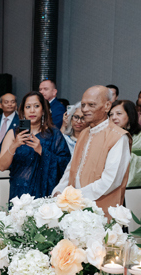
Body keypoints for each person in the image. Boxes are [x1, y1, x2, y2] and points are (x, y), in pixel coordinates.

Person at [53, 86, 131, 217]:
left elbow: (111, 181)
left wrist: (75, 197)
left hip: (99, 211)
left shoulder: (118, 137)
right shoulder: (84, 133)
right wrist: (59, 191)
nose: (85, 109)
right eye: (83, 104)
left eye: (91, 105)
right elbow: (71, 169)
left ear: (107, 106)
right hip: (73, 209)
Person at [0, 92, 71, 200]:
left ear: (43, 110)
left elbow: (66, 164)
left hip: (45, 192)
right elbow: (2, 166)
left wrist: (42, 151)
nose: (32, 110)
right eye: (28, 107)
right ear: (23, 111)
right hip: (19, 192)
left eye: (36, 106)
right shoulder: (13, 134)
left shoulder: (54, 134)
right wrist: (14, 145)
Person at [109, 100, 141, 187]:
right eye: (111, 114)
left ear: (130, 115)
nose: (113, 117)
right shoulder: (108, 138)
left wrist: (130, 159)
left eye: (119, 113)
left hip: (135, 191)